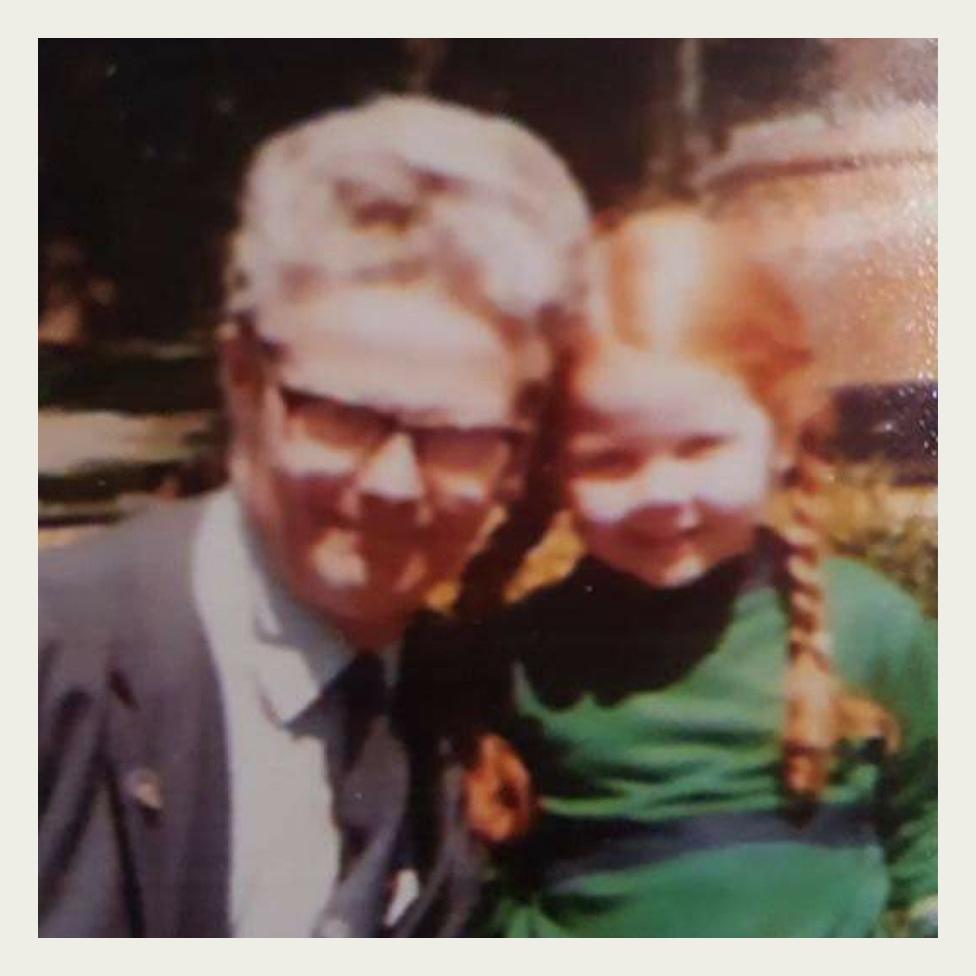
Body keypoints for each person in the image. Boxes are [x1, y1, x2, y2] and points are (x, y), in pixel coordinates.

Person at [38, 95, 590, 937]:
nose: (396, 484)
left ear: (516, 455)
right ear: (242, 381)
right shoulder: (50, 664)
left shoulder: (458, 703)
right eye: (343, 416)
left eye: (457, 434)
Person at [424, 208, 936, 937]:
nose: (661, 492)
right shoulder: (516, 665)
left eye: (700, 447)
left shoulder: (872, 627)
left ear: (785, 436)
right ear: (553, 467)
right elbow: (477, 889)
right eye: (611, 460)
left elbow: (936, 830)